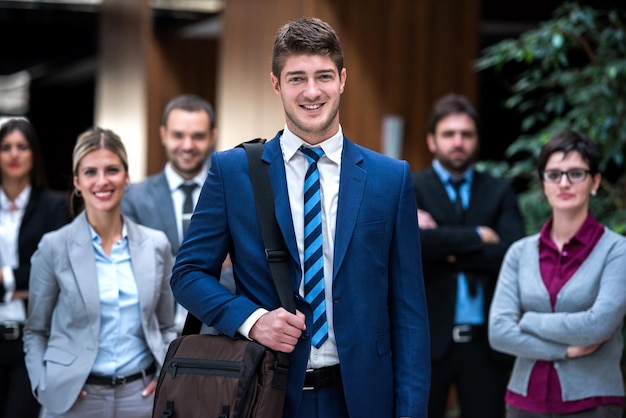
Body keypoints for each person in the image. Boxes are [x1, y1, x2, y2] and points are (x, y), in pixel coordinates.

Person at [170, 17, 430, 418]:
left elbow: (410, 315)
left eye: (323, 76)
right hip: (265, 394)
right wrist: (253, 321)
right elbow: (187, 274)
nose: (312, 92)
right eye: (296, 78)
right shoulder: (233, 172)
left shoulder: (390, 178)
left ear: (342, 79)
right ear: (276, 84)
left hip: (362, 399)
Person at [24, 127, 176, 417]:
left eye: (112, 170)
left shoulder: (156, 245)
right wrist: (45, 385)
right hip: (74, 399)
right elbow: (36, 330)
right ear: (78, 182)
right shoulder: (54, 247)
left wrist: (165, 375)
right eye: (91, 172)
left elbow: (166, 326)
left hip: (142, 398)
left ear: (127, 176)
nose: (102, 181)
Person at [489, 131, 626, 418]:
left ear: (595, 182)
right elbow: (499, 332)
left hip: (594, 404)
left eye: (576, 173)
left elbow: (598, 325)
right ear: (543, 183)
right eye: (554, 174)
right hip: (524, 403)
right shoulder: (519, 252)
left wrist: (529, 320)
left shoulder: (617, 251)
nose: (564, 183)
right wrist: (565, 350)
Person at [412, 93, 525, 418]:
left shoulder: (499, 190)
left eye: (466, 134)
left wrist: (443, 246)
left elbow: (510, 254)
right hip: (429, 343)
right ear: (432, 141)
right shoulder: (410, 187)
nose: (458, 142)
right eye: (449, 134)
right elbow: (413, 247)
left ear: (476, 141)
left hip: (486, 346)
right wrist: (478, 236)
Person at [122, 94, 234, 333]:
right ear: (163, 134)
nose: (187, 145)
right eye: (178, 135)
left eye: (198, 136)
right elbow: (132, 271)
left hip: (218, 334)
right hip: (151, 335)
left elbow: (244, 268)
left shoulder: (234, 195)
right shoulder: (133, 198)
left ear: (213, 136)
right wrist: (214, 265)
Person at [0, 118, 70, 418]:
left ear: (34, 154)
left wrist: (4, 277)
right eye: (6, 147)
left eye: (22, 147)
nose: (14, 154)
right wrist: (21, 285)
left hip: (31, 339)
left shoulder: (54, 206)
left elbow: (55, 268)